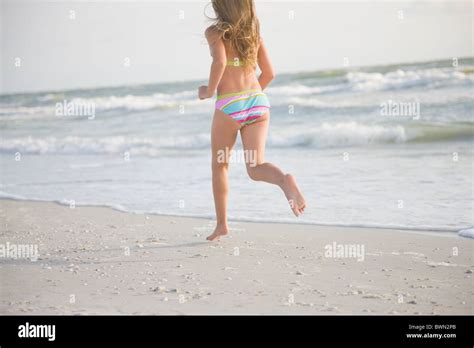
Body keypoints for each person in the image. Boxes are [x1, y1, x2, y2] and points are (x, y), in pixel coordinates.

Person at [198, 0, 306, 241]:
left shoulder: (215, 32)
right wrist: (252, 95)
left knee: (220, 165)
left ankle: (222, 225)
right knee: (255, 167)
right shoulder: (253, 34)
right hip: (258, 103)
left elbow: (221, 62)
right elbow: (270, 73)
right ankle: (284, 180)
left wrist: (209, 91)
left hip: (229, 106)